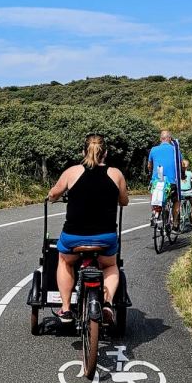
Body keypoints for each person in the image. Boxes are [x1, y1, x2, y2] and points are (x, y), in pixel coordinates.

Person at [47, 133, 128, 325]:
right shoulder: (115, 174)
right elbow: (124, 201)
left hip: (73, 237)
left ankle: (66, 309)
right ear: (105, 153)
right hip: (105, 238)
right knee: (110, 264)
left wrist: (53, 196)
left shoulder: (72, 172)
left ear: (83, 152)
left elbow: (53, 194)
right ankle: (107, 303)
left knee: (64, 260)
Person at [147, 130, 181, 226]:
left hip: (157, 181)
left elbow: (149, 165)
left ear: (160, 139)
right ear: (170, 139)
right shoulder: (175, 150)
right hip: (171, 182)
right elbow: (181, 164)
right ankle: (175, 224)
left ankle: (155, 212)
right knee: (176, 200)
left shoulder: (153, 149)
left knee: (154, 193)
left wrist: (150, 172)